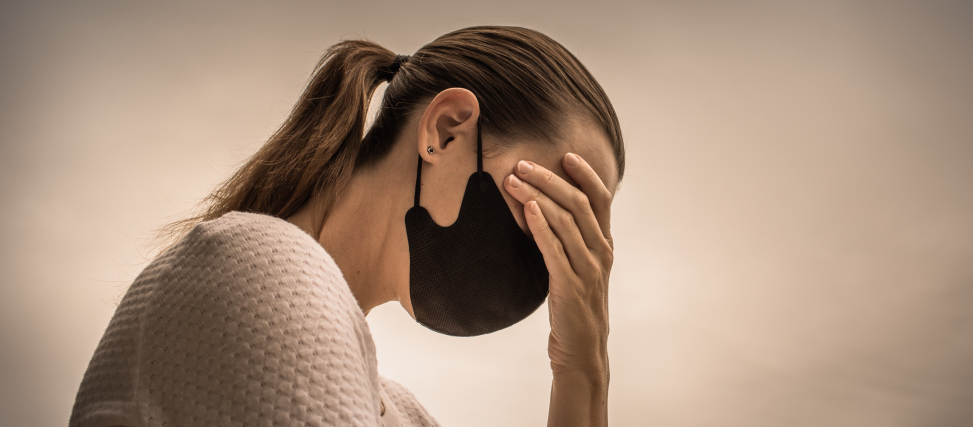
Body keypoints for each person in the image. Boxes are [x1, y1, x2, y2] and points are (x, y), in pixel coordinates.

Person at [70, 25, 624, 427]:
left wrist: (583, 368)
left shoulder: (402, 413)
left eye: (581, 242)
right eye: (553, 210)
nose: (556, 265)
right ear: (448, 130)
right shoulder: (258, 266)